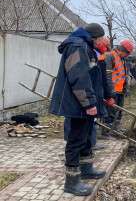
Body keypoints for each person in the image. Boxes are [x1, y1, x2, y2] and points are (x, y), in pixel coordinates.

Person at [49, 23, 109, 196]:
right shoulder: (77, 47)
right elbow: (79, 78)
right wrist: (89, 104)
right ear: (94, 37)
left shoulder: (85, 47)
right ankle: (71, 182)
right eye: (101, 39)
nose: (102, 42)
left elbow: (91, 77)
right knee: (76, 140)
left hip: (84, 103)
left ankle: (86, 169)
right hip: (78, 104)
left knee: (85, 137)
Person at [63, 37, 115, 150]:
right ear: (99, 43)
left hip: (91, 93)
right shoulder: (84, 52)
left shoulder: (97, 55)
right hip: (82, 94)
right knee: (74, 121)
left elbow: (100, 79)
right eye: (105, 46)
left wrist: (106, 95)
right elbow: (81, 78)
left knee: (89, 121)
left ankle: (89, 145)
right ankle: (74, 148)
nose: (106, 49)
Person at [103, 39, 135, 131]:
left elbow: (123, 75)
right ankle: (107, 131)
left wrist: (125, 88)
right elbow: (107, 76)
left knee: (118, 112)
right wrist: (110, 93)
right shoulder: (110, 56)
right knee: (110, 113)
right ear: (122, 49)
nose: (128, 55)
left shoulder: (122, 59)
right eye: (127, 53)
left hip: (120, 91)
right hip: (112, 91)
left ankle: (116, 129)